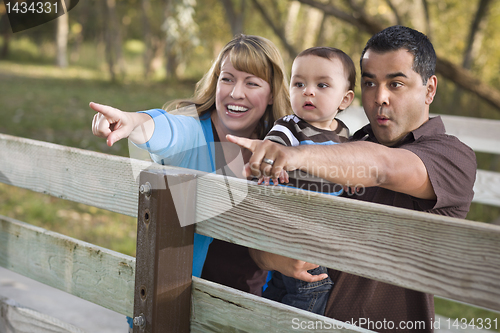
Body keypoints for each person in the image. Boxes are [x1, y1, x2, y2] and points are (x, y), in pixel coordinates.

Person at [227, 25, 476, 332]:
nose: (380, 97)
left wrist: (294, 155)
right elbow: (262, 245)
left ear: (429, 89)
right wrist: (272, 258)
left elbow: (381, 167)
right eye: (370, 83)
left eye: (396, 84)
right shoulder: (344, 145)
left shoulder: (451, 156)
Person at [90, 34, 291, 297]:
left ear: (272, 93)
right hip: (176, 304)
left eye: (251, 83)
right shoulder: (192, 131)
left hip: (248, 309)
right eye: (227, 78)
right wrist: (132, 122)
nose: (235, 93)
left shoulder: (279, 142)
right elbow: (165, 128)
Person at [261, 46, 355, 315]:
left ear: (345, 100)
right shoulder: (290, 126)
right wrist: (272, 164)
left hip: (323, 228)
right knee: (313, 287)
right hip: (297, 226)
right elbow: (270, 149)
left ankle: (267, 316)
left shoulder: (344, 134)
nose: (308, 91)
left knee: (281, 288)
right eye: (299, 83)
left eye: (322, 85)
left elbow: (349, 166)